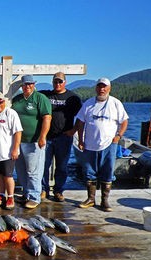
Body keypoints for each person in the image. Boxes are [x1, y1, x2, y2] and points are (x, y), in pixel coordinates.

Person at [76, 78, 129, 212]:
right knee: (89, 172)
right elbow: (80, 122)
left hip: (109, 145)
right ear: (96, 88)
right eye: (99, 87)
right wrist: (81, 140)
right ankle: (90, 199)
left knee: (107, 172)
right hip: (89, 144)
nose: (102, 89)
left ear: (109, 88)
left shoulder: (116, 103)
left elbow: (124, 121)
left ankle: (104, 201)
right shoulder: (88, 104)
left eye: (104, 87)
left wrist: (119, 136)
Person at [39, 72, 82, 202]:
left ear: (65, 82)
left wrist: (74, 130)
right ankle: (43, 190)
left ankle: (58, 191)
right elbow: (31, 95)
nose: (57, 84)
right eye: (55, 82)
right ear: (52, 82)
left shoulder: (73, 98)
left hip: (64, 137)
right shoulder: (45, 95)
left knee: (62, 167)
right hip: (47, 137)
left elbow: (81, 117)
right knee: (43, 166)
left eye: (60, 82)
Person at [12, 75, 52, 209]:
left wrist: (42, 137)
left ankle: (35, 196)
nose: (27, 86)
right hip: (18, 142)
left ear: (34, 84)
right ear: (21, 86)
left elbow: (47, 118)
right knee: (21, 171)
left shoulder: (40, 98)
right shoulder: (17, 100)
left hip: (34, 142)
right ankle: (26, 193)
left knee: (33, 171)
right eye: (25, 84)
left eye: (30, 84)